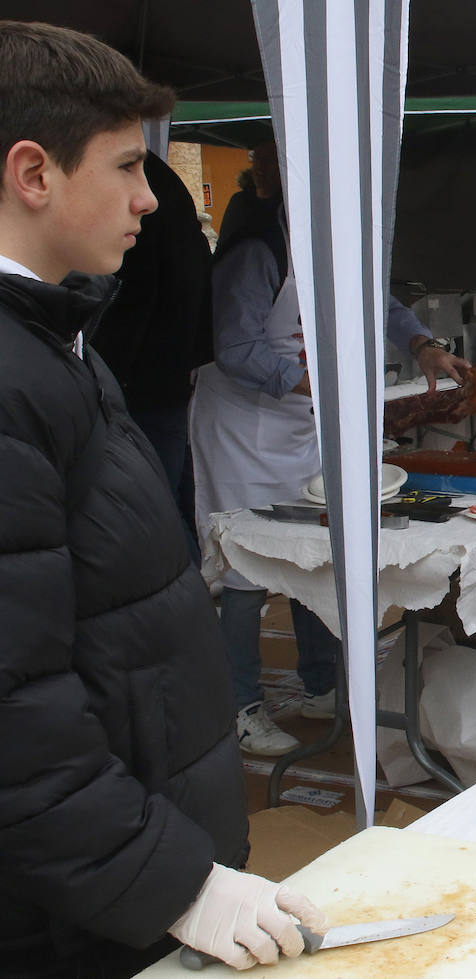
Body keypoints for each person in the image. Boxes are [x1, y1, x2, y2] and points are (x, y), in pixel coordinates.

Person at [0, 20, 324, 975]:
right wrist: (171, 879)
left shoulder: (55, 334)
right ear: (33, 173)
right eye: (126, 166)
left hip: (118, 868)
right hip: (71, 907)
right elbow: (15, 703)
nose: (150, 196)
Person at [190, 166, 468, 756]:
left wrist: (423, 345)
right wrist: (316, 383)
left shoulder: (343, 248)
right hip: (244, 429)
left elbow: (382, 303)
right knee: (246, 568)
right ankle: (240, 707)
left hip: (306, 424)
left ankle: (321, 684)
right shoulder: (258, 252)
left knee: (316, 550)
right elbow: (236, 348)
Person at [90, 150, 211, 560]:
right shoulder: (162, 184)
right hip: (164, 374)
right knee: (169, 499)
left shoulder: (149, 194)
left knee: (152, 508)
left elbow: (135, 298)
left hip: (144, 381)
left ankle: (188, 581)